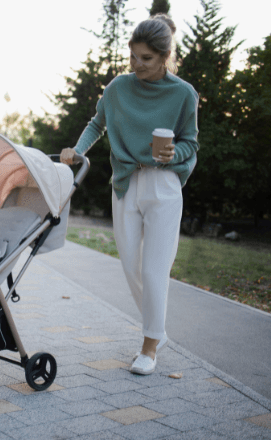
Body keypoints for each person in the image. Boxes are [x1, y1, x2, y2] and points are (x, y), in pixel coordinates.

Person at [60, 13, 199, 375]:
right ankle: (158, 327)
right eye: (133, 56)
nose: (137, 64)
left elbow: (191, 143)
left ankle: (149, 346)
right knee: (130, 266)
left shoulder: (184, 94)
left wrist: (175, 154)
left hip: (164, 186)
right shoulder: (118, 87)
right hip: (125, 183)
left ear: (165, 56)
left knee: (155, 270)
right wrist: (79, 150)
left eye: (146, 58)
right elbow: (97, 123)